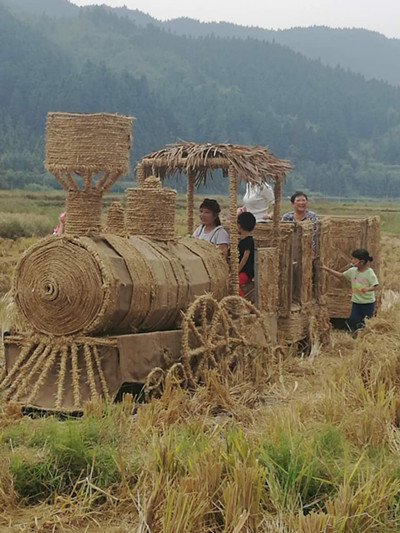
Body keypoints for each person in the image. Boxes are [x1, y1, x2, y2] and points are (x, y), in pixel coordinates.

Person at [321, 248, 379, 332]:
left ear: (361, 262)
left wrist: (367, 289)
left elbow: (376, 285)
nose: (352, 261)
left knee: (366, 321)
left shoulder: (369, 273)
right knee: (353, 319)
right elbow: (341, 275)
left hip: (367, 302)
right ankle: (354, 334)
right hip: (356, 301)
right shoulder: (352, 271)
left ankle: (363, 336)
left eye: (355, 259)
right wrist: (327, 269)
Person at [237, 211, 256, 298]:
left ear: (239, 225)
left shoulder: (248, 240)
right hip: (242, 270)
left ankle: (244, 305)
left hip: (246, 271)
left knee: (234, 283)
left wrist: (237, 269)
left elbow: (245, 256)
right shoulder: (242, 239)